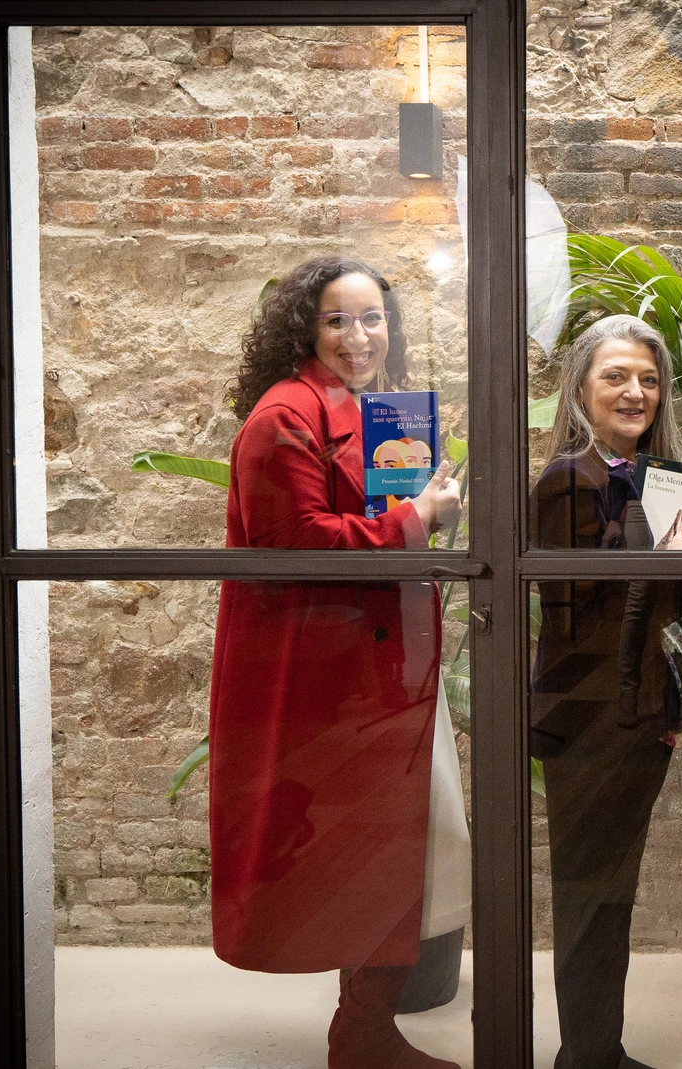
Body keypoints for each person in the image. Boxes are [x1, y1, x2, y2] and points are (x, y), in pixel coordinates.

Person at [208, 256, 467, 1069]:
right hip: (324, 673)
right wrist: (417, 519)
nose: (359, 336)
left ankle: (365, 1030)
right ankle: (361, 1036)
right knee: (368, 844)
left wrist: (427, 506)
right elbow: (298, 545)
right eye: (337, 320)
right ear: (304, 328)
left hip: (379, 666)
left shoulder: (373, 410)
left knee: (398, 843)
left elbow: (366, 521)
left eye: (373, 318)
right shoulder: (283, 417)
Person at [530, 315, 682, 1069]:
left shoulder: (668, 479)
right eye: (616, 376)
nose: (635, 391)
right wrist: (662, 555)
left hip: (643, 716)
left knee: (614, 893)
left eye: (647, 378)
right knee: (587, 894)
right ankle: (583, 1058)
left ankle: (596, 1049)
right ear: (581, 388)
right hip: (584, 718)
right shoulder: (561, 481)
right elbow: (573, 609)